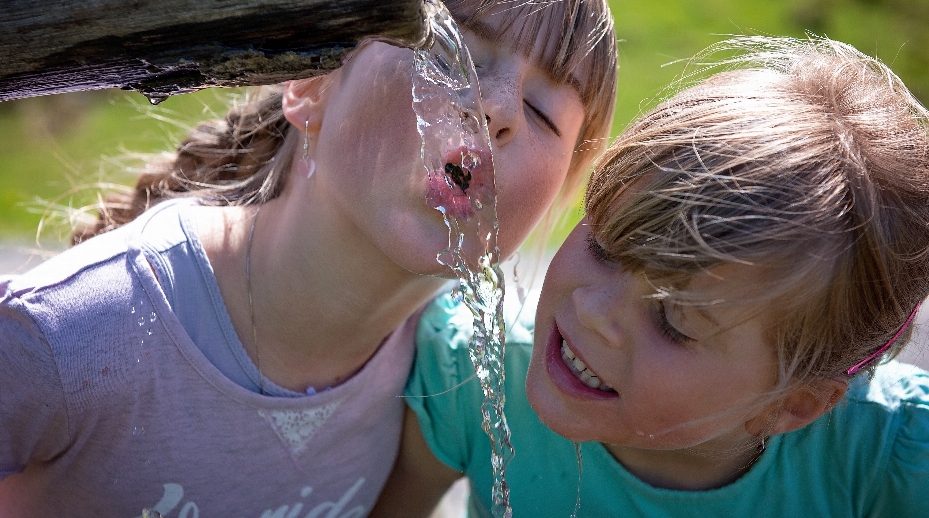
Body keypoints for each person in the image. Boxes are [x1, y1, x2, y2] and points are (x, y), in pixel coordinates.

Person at [0, 0, 618, 517]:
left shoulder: (448, 377)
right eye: (455, 58)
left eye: (542, 113)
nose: (497, 110)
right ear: (310, 86)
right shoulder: (82, 327)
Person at [373, 36, 929, 517]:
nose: (593, 309)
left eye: (672, 320)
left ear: (791, 405)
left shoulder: (887, 464)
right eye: (604, 245)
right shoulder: (473, 375)